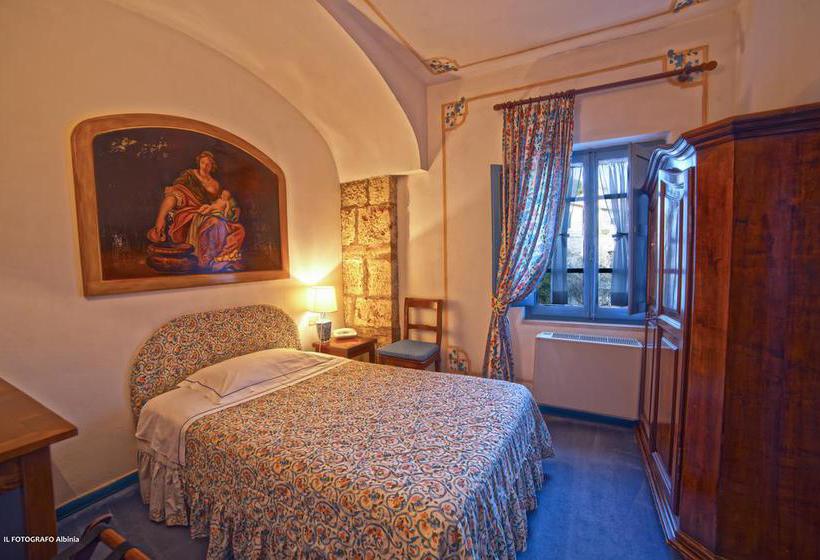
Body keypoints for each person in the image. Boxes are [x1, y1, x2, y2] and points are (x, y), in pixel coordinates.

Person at [147, 151, 245, 272]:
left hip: (212, 213)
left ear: (212, 165)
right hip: (190, 213)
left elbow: (222, 202)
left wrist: (233, 209)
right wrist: (160, 219)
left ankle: (223, 259)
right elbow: (174, 196)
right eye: (203, 163)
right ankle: (207, 261)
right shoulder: (189, 177)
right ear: (199, 163)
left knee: (238, 229)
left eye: (208, 164)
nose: (205, 166)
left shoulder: (215, 184)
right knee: (214, 222)